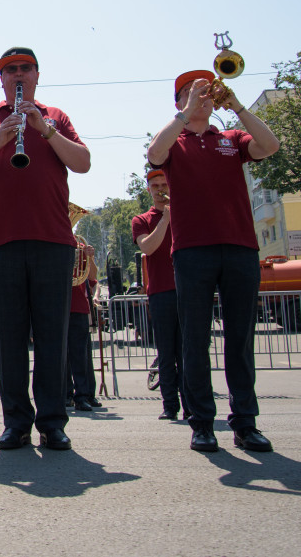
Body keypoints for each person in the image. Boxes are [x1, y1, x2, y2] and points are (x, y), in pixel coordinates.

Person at [0, 47, 90, 452]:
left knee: (52, 337)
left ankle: (52, 422)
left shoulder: (56, 116)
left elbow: (82, 163)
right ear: (1, 80)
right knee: (9, 339)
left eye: (24, 69)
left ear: (36, 75)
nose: (18, 75)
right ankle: (16, 421)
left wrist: (45, 129)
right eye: (10, 70)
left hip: (52, 240)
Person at [147, 69, 279, 453]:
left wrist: (235, 104)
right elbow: (155, 153)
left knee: (239, 340)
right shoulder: (177, 139)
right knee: (195, 340)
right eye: (190, 92)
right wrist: (186, 114)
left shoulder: (230, 139)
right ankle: (202, 422)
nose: (201, 96)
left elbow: (269, 145)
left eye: (206, 91)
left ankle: (245, 422)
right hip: (193, 250)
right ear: (178, 102)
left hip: (240, 247)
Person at [132, 170, 189, 421]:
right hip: (161, 292)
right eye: (154, 185)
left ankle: (192, 405)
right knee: (166, 352)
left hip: (189, 291)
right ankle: (170, 405)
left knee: (190, 352)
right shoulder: (141, 219)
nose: (159, 189)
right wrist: (166, 218)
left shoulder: (188, 213)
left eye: (164, 184)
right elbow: (147, 247)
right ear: (148, 190)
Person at [65, 244, 101, 411]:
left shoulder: (80, 248)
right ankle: (66, 395)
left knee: (80, 356)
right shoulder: (52, 245)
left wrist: (90, 257)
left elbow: (93, 278)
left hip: (78, 307)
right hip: (58, 307)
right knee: (61, 357)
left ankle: (83, 396)